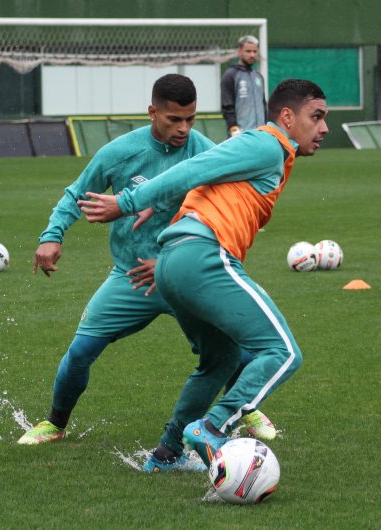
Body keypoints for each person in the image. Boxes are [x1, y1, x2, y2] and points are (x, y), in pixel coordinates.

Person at [17, 74, 276, 471]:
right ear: (152, 111)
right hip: (129, 277)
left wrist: (172, 259)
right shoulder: (120, 152)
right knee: (80, 352)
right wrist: (52, 236)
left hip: (186, 275)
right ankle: (55, 422)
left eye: (190, 119)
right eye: (174, 119)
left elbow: (232, 202)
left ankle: (246, 408)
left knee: (227, 351)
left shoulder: (205, 151)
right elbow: (76, 194)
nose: (183, 129)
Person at [81, 78, 329, 468]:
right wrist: (128, 201)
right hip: (203, 255)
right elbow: (193, 168)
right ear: (286, 116)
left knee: (221, 359)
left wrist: (154, 207)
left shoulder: (270, 155)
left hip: (174, 260)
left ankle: (166, 454)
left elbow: (198, 181)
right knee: (282, 352)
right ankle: (213, 428)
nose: (324, 127)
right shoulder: (266, 143)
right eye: (316, 117)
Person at [220, 35, 267, 138]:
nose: (252, 55)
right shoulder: (230, 75)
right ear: (240, 51)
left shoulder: (258, 76)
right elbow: (227, 106)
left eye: (255, 51)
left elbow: (263, 105)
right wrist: (233, 128)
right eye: (248, 51)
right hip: (241, 135)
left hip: (261, 134)